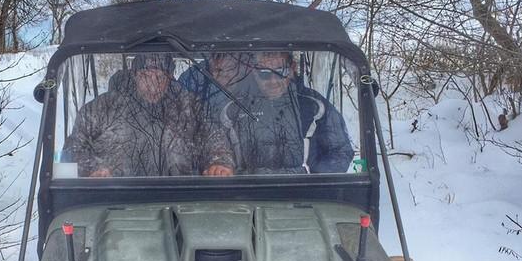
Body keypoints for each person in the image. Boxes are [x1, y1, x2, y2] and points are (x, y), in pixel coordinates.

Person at [62, 53, 234, 177]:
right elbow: (74, 145)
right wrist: (92, 169)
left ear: (170, 78)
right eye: (145, 76)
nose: (152, 85)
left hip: (181, 195)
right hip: (114, 196)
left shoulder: (190, 107)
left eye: (159, 77)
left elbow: (214, 136)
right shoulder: (104, 107)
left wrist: (219, 163)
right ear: (134, 76)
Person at [222, 52, 354, 174]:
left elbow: (340, 151)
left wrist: (314, 179)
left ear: (292, 69)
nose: (273, 81)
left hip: (304, 194)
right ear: (253, 71)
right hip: (246, 195)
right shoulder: (232, 109)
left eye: (280, 72)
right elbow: (216, 152)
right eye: (264, 73)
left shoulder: (315, 106)